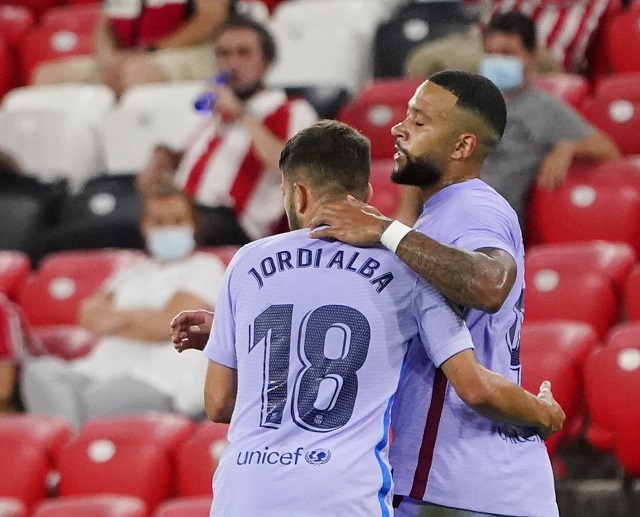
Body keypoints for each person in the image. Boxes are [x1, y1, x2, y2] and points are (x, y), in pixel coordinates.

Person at [179, 120, 564, 516]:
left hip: (245, 492)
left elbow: (219, 403)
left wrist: (255, 352)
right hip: (344, 494)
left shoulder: (247, 262)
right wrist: (544, 413)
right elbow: (475, 387)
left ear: (298, 194)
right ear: (366, 193)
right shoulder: (407, 268)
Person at [295, 71, 560, 516]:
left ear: (462, 146)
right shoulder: (437, 217)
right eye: (406, 116)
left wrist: (386, 230)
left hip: (464, 486)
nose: (399, 129)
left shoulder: (472, 206)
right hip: (466, 483)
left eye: (419, 122)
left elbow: (491, 284)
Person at [20, 182, 225, 428]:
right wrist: (144, 316)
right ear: (145, 227)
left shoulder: (205, 267)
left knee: (89, 402)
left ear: (194, 225)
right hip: (99, 369)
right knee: (39, 373)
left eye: (178, 221)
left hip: (160, 378)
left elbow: (169, 327)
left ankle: (68, 442)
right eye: (159, 222)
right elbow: (89, 316)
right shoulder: (134, 271)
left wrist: (116, 319)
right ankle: (75, 441)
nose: (169, 228)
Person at [399, 11, 620, 229]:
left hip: (489, 227)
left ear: (531, 56)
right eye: (490, 54)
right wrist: (405, 215)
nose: (497, 61)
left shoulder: (547, 110)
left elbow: (608, 150)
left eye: (507, 54)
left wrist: (569, 147)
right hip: (434, 218)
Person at [138, 16, 319, 245]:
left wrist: (242, 115)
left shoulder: (290, 110)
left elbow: (294, 171)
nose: (232, 63)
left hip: (235, 224)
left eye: (243, 53)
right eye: (223, 54)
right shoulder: (217, 113)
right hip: (188, 211)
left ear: (267, 61)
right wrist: (168, 159)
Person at [33, 0, 230, 97]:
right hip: (131, 56)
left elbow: (211, 18)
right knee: (48, 76)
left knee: (138, 73)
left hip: (191, 51)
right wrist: (107, 60)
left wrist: (153, 50)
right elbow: (103, 30)